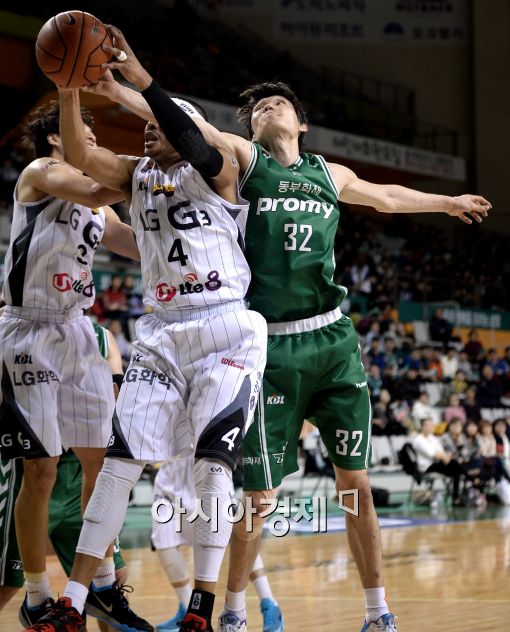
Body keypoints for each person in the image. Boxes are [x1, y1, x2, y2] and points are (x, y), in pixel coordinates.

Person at [89, 27, 491, 632]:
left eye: (276, 103)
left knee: (353, 483)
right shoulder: (242, 162)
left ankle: (378, 612)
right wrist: (119, 88)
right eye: (256, 108)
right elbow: (181, 123)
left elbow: (385, 197)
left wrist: (445, 202)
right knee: (258, 496)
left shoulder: (332, 175)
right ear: (248, 129)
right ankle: (232, 612)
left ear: (300, 124)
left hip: (332, 342)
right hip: (266, 345)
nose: (264, 109)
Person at [29, 55, 267, 632]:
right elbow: (83, 158)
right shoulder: (135, 174)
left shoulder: (219, 170)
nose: (150, 126)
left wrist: (138, 80)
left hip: (225, 328)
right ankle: (74, 602)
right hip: (161, 333)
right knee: (118, 465)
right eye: (147, 121)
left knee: (214, 467)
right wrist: (68, 91)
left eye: (163, 122)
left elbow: (191, 135)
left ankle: (202, 609)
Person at [0, 100, 146, 630]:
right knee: (38, 471)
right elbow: (95, 186)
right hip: (29, 330)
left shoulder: (100, 207)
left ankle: (102, 584)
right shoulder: (41, 173)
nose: (91, 141)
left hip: (79, 330)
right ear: (57, 139)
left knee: (102, 464)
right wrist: (156, 168)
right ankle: (37, 597)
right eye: (83, 133)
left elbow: (132, 242)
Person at [0, 321, 133, 632]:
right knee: (7, 584)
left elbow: (116, 395)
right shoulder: (19, 335)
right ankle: (37, 601)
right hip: (30, 477)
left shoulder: (100, 338)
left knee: (110, 585)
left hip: (81, 480)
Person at [152, 456, 284, 632]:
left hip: (211, 463)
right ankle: (187, 607)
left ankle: (269, 603)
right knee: (163, 540)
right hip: (171, 469)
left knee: (238, 535)